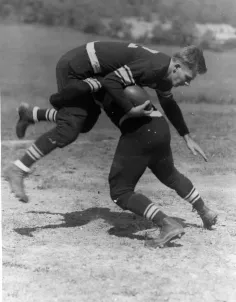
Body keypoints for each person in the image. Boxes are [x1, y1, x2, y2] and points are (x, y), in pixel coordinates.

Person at [5, 41, 208, 205]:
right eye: (188, 77)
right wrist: (129, 109)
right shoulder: (155, 66)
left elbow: (168, 103)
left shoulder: (164, 73)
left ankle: (31, 114)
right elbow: (112, 81)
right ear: (178, 66)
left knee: (84, 123)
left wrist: (186, 136)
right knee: (70, 128)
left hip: (95, 74)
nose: (187, 83)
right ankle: (19, 168)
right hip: (77, 68)